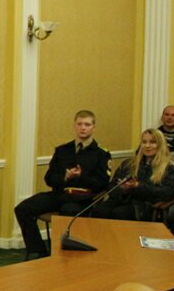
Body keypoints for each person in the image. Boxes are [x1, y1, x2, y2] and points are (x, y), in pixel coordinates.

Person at [14, 110, 111, 258]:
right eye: (79, 124)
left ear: (94, 128)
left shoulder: (101, 154)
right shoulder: (62, 150)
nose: (83, 128)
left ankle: (62, 255)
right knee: (23, 208)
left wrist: (82, 176)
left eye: (87, 124)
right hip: (60, 194)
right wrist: (64, 177)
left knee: (68, 210)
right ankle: (38, 251)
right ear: (74, 126)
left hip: (83, 199)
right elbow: (49, 178)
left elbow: (102, 184)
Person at [93, 128, 174, 222]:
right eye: (144, 142)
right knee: (99, 210)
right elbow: (112, 185)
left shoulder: (169, 168)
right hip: (122, 199)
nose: (147, 146)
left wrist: (138, 186)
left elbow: (167, 193)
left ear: (160, 145)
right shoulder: (128, 163)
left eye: (153, 142)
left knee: (119, 213)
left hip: (145, 206)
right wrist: (124, 191)